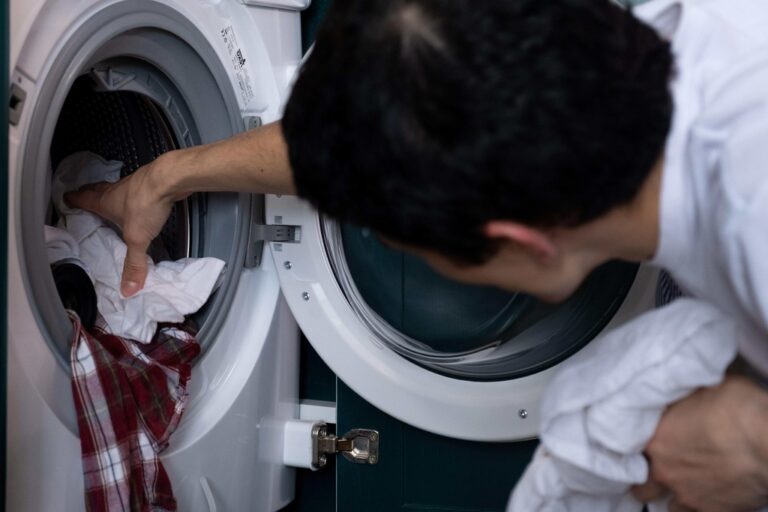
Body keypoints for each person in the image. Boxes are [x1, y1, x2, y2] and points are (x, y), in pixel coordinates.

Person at [67, 0, 768, 510]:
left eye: (426, 253)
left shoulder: (752, 220)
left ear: (517, 242)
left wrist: (747, 439)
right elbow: (413, 118)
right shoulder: (655, 33)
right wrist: (163, 177)